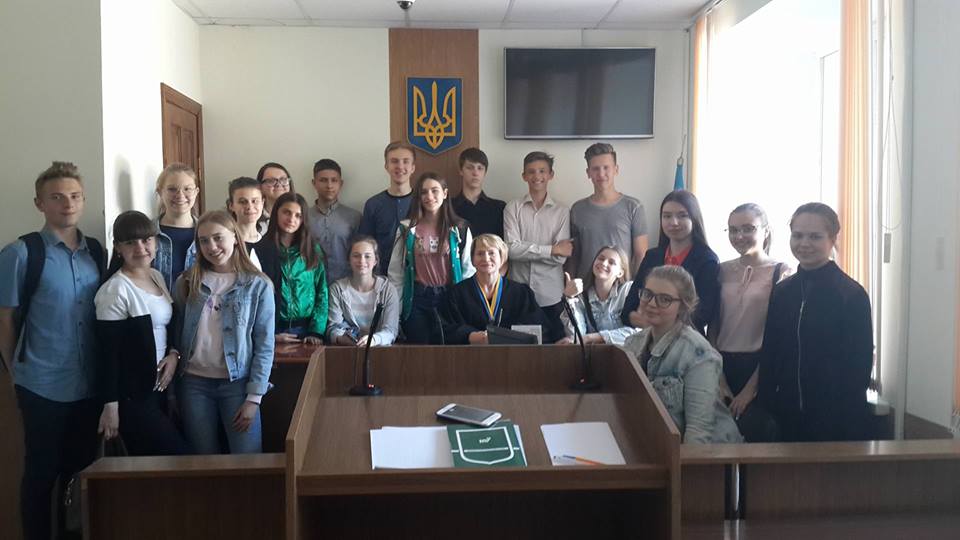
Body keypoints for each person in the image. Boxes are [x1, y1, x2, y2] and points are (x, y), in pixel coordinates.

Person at [0, 161, 105, 540]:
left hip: (89, 385)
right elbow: (5, 320)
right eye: (57, 197)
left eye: (75, 196)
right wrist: (16, 374)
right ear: (39, 203)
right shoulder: (20, 253)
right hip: (41, 384)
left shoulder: (96, 252)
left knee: (80, 473)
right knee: (41, 473)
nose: (68, 204)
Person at [758, 203, 874, 442]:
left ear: (833, 239)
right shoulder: (782, 291)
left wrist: (844, 414)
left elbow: (859, 366)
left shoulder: (851, 294)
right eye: (798, 235)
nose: (804, 243)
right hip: (785, 417)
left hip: (837, 420)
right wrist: (768, 404)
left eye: (815, 236)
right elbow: (770, 353)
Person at [173, 210, 275, 454]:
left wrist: (254, 398)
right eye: (204, 241)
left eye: (218, 238)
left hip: (238, 385)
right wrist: (172, 393)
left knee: (247, 458)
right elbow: (176, 333)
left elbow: (264, 343)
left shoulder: (258, 284)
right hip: (194, 384)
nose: (212, 246)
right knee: (203, 459)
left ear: (235, 238)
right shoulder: (187, 281)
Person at [94, 211, 191, 456]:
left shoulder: (156, 277)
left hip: (160, 390)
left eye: (146, 240)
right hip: (133, 395)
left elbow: (167, 329)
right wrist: (111, 406)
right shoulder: (115, 289)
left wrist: (174, 354)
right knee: (177, 456)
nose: (140, 248)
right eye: (130, 242)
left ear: (156, 242)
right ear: (118, 248)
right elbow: (108, 355)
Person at [622, 266, 742, 444]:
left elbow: (698, 433)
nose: (652, 303)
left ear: (683, 306)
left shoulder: (700, 354)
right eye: (647, 294)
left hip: (711, 454)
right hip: (659, 445)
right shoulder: (632, 344)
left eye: (664, 299)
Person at [711, 203, 792, 442]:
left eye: (748, 229)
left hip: (760, 366)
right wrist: (719, 377)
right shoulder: (720, 270)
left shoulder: (781, 272)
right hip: (721, 362)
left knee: (758, 432)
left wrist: (750, 390)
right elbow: (714, 325)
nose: (739, 236)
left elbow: (778, 337)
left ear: (765, 230)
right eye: (733, 230)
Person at [388, 172, 474, 344]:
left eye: (435, 191)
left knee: (450, 349)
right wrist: (395, 311)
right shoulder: (406, 229)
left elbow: (468, 270)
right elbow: (396, 273)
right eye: (424, 192)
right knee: (420, 351)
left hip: (450, 297)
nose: (429, 196)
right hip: (418, 298)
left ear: (445, 193)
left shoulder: (460, 229)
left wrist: (466, 303)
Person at [621, 190, 720, 336]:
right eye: (667, 216)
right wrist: (657, 324)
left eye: (682, 215)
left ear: (694, 218)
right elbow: (627, 311)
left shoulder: (707, 260)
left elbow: (701, 316)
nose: (673, 222)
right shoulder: (652, 256)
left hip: (687, 342)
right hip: (649, 340)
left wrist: (653, 322)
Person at [503, 151, 571, 340]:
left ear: (551, 175)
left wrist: (528, 251)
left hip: (552, 296)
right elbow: (511, 250)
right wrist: (551, 250)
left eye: (542, 171)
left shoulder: (562, 211)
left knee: (555, 349)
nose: (537, 176)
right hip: (519, 295)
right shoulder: (512, 208)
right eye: (531, 171)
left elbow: (561, 257)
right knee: (521, 351)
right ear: (524, 176)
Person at [441, 234, 551, 345]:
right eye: (480, 253)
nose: (486, 258)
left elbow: (539, 328)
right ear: (473, 260)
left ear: (502, 258)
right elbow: (445, 330)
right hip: (470, 353)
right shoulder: (456, 293)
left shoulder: (520, 293)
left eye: (491, 253)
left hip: (512, 353)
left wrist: (507, 337)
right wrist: (470, 336)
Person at [255, 193, 328, 345]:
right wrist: (270, 334)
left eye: (298, 215)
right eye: (286, 212)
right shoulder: (262, 248)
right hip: (273, 329)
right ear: (276, 213)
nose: (291, 219)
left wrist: (316, 331)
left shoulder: (312, 250)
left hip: (306, 331)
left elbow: (322, 292)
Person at [568, 143, 648, 279]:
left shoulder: (634, 207)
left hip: (621, 287)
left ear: (616, 170)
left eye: (606, 168)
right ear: (588, 173)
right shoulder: (577, 209)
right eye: (595, 169)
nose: (601, 174)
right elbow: (573, 256)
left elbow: (641, 255)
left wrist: (635, 287)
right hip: (585, 287)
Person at [557, 246, 639, 346]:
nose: (604, 263)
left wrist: (592, 337)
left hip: (625, 353)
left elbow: (638, 332)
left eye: (611, 262)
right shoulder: (582, 296)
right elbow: (577, 336)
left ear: (620, 273)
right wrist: (569, 298)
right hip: (596, 354)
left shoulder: (628, 290)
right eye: (601, 258)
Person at [327, 236, 400, 347]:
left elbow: (391, 331)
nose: (362, 261)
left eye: (367, 256)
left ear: (375, 260)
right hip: (347, 349)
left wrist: (374, 340)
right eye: (356, 256)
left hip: (380, 349)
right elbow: (333, 327)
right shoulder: (336, 289)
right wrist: (340, 337)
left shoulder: (388, 290)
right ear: (349, 259)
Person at [359, 141, 417, 275]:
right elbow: (365, 245)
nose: (400, 166)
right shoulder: (373, 204)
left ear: (413, 167)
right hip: (382, 276)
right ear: (386, 166)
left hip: (417, 276)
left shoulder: (423, 202)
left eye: (406, 161)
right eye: (394, 161)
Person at [307, 158, 362, 283]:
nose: (329, 185)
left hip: (347, 284)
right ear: (314, 183)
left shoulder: (354, 217)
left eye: (334, 180)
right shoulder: (303, 217)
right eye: (323, 180)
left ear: (341, 183)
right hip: (312, 284)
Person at [153, 163, 200, 291]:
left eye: (187, 189)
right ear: (160, 192)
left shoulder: (207, 233)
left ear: (196, 192)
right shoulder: (146, 233)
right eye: (172, 189)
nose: (180, 195)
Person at [451, 147, 506, 239]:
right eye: (470, 168)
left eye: (480, 168)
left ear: (485, 172)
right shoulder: (448, 206)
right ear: (461, 171)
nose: (475, 173)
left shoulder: (499, 207)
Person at [226, 176, 265, 269]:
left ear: (262, 203)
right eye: (243, 202)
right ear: (231, 205)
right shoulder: (226, 244)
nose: (249, 206)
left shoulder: (269, 244)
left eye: (255, 201)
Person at [256, 162, 294, 231]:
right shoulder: (253, 217)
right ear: (260, 186)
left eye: (283, 180)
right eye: (271, 181)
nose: (278, 184)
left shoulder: (299, 215)